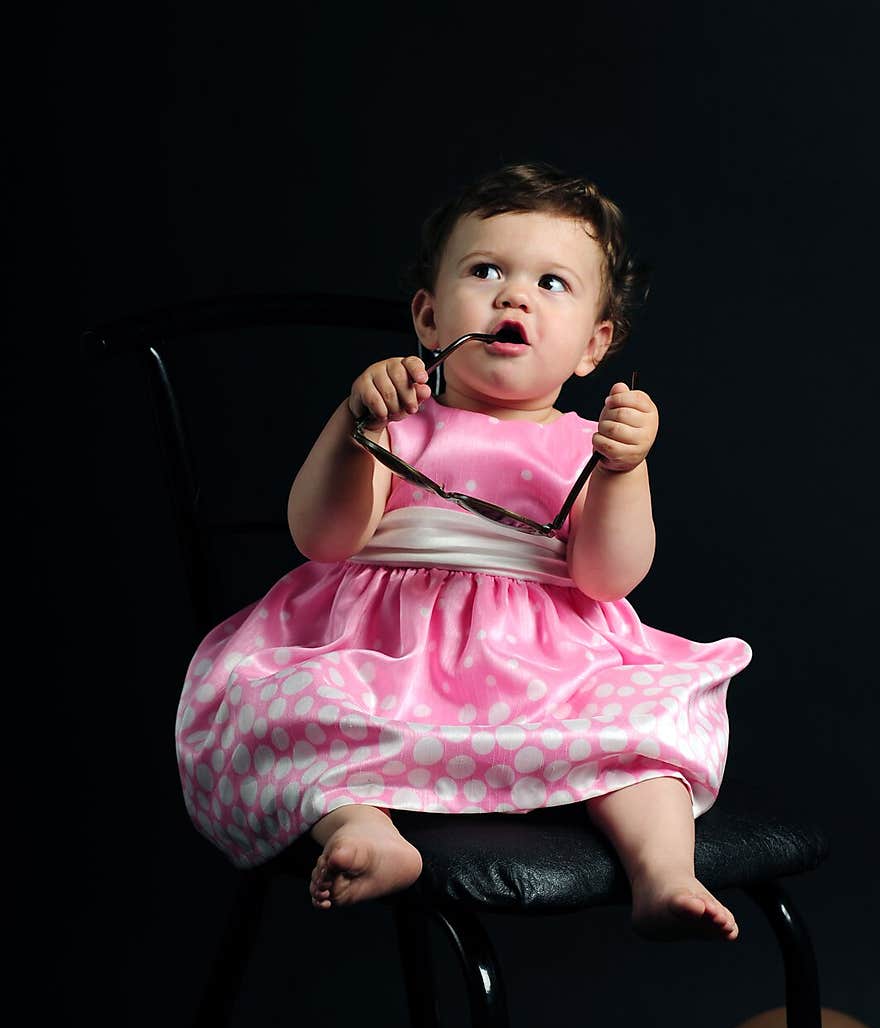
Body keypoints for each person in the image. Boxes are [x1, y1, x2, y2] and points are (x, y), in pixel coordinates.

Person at [176, 160, 752, 941]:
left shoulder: (588, 442)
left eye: (552, 283)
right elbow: (322, 539)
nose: (513, 295)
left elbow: (607, 577)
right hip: (385, 655)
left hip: (545, 673)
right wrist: (358, 429)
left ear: (594, 344)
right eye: (485, 271)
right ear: (428, 317)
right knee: (292, 712)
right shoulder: (401, 420)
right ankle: (366, 831)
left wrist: (624, 469)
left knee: (647, 737)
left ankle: (664, 873)